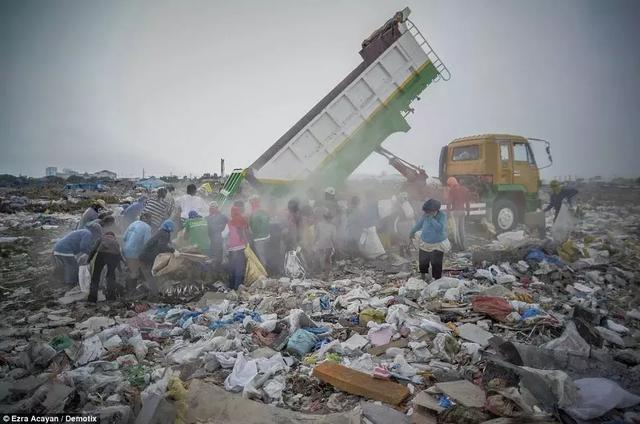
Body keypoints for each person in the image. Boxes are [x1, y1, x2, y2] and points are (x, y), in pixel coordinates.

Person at [409, 199, 450, 281]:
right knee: (423, 262)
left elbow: (440, 228)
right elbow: (418, 225)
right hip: (425, 243)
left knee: (436, 263)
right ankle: (423, 278)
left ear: (435, 210)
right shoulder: (425, 215)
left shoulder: (442, 215)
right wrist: (411, 232)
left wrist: (431, 219)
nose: (427, 213)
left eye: (429, 212)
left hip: (438, 244)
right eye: (427, 212)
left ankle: (437, 280)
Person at [139, 219, 176, 299]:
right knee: (150, 275)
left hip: (147, 256)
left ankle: (153, 292)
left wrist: (171, 247)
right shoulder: (165, 233)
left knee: (151, 274)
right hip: (147, 257)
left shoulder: (162, 232)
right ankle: (154, 295)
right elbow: (161, 246)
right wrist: (173, 250)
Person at [122, 212, 153, 293]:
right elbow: (147, 243)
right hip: (135, 252)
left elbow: (124, 237)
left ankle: (129, 289)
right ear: (148, 219)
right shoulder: (147, 227)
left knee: (131, 269)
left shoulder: (133, 223)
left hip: (125, 250)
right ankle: (131, 291)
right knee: (135, 271)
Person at [88, 231, 122, 303]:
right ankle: (111, 297)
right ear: (113, 236)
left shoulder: (101, 238)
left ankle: (92, 298)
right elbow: (119, 255)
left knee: (96, 276)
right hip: (114, 256)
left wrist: (89, 259)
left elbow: (93, 249)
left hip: (101, 254)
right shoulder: (115, 242)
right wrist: (119, 268)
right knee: (111, 276)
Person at [227, 203, 249, 290]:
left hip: (232, 249)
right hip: (241, 248)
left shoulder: (229, 223)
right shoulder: (243, 220)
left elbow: (224, 235)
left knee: (232, 267)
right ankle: (238, 286)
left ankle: (231, 286)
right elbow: (248, 232)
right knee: (239, 267)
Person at [446, 177, 471, 251]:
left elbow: (449, 202)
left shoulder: (452, 190)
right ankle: (463, 245)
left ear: (451, 184)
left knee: (456, 230)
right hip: (463, 211)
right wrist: (468, 212)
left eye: (449, 184)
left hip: (455, 211)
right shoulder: (465, 190)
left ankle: (458, 246)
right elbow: (467, 202)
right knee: (462, 229)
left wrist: (448, 212)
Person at [313, 208, 337, 276]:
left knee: (322, 259)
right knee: (327, 260)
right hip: (327, 245)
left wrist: (314, 243)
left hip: (322, 245)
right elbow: (334, 238)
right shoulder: (332, 227)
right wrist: (335, 246)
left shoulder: (319, 225)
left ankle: (324, 272)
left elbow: (316, 236)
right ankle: (326, 273)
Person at [248, 195, 271, 267]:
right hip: (267, 236)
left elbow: (252, 226)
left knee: (261, 255)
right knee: (266, 253)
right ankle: (269, 268)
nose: (250, 204)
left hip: (259, 238)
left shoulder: (253, 213)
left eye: (251, 202)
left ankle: (265, 272)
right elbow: (268, 220)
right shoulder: (263, 210)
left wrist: (252, 234)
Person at [207, 201, 228, 268]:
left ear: (217, 208)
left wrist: (220, 227)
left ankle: (219, 266)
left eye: (213, 208)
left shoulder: (222, 216)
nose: (211, 209)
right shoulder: (208, 218)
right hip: (211, 238)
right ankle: (214, 266)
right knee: (212, 253)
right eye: (210, 208)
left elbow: (228, 224)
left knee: (219, 252)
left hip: (220, 236)